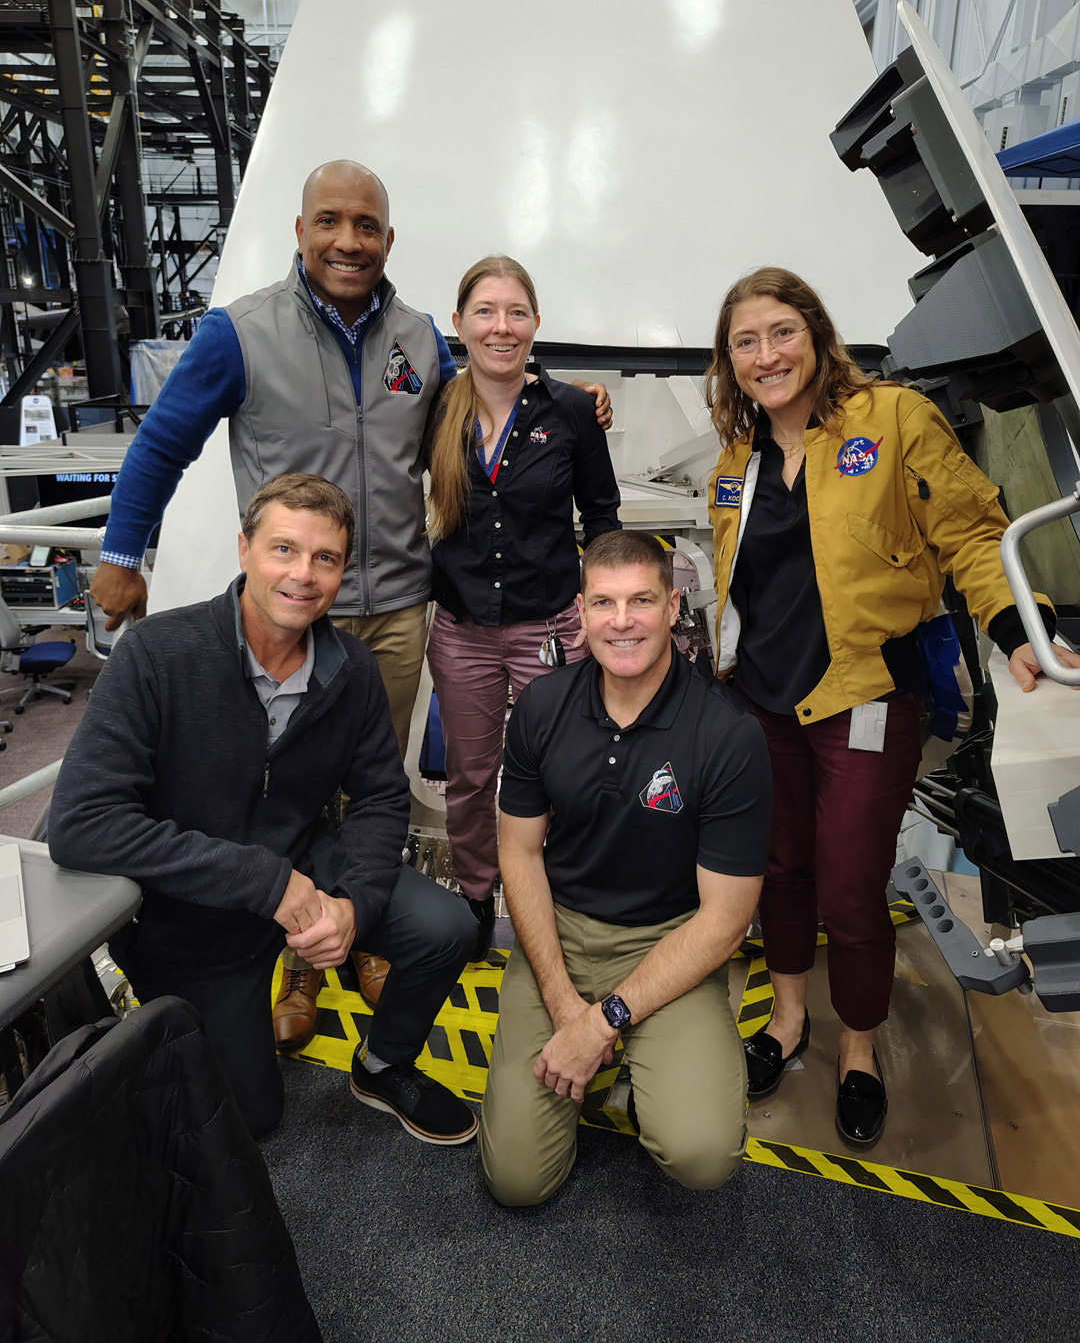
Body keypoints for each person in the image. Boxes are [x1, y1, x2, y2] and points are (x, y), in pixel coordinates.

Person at [88, 161, 611, 1046]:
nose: (347, 240)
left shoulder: (415, 337)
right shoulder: (238, 333)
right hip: (290, 610)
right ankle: (295, 968)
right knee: (287, 795)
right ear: (300, 231)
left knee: (373, 792)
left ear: (388, 241)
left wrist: (570, 397)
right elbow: (161, 443)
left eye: (365, 226)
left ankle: (361, 930)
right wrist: (120, 552)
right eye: (328, 221)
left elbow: (495, 382)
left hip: (400, 608)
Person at [704, 265, 1080, 1147]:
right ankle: (789, 1018)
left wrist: (1017, 627)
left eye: (781, 332)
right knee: (782, 872)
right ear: (730, 363)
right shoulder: (737, 460)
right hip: (763, 704)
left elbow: (972, 531)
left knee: (850, 887)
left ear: (817, 333)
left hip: (867, 698)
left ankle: (859, 1049)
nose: (767, 356)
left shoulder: (894, 419)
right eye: (745, 343)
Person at [49, 473, 479, 1146]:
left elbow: (379, 797)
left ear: (342, 571)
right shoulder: (157, 655)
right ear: (245, 548)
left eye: (325, 558)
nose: (303, 575)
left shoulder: (352, 669)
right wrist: (263, 882)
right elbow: (82, 824)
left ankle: (383, 1064)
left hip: (301, 862)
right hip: (192, 913)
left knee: (447, 925)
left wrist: (355, 905)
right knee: (249, 1119)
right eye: (284, 550)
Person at [479, 530, 772, 1205]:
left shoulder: (727, 734)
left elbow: (726, 922)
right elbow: (519, 852)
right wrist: (562, 1004)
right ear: (580, 612)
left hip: (669, 938)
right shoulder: (543, 708)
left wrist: (600, 1021)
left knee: (702, 1154)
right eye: (604, 603)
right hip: (560, 934)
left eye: (641, 600)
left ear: (673, 607)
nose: (622, 621)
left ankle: (645, 1052)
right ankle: (604, 1059)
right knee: (517, 1183)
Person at [425, 256, 622, 960]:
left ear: (535, 324)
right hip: (462, 632)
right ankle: (478, 899)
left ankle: (562, 899)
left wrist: (603, 608)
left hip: (551, 628)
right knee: (472, 777)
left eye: (515, 312)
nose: (500, 327)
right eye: (484, 311)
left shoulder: (570, 409)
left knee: (564, 770)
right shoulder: (435, 408)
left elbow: (601, 513)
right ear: (459, 324)